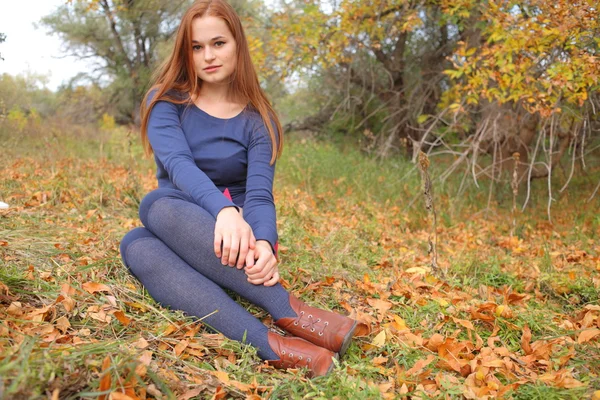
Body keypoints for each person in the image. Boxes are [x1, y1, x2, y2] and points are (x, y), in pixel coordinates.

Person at [119, 0, 357, 377]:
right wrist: (223, 211)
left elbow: (260, 194)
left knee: (150, 222)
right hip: (183, 217)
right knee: (141, 235)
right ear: (186, 52)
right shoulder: (166, 101)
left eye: (218, 43)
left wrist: (264, 242)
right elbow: (179, 165)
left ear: (237, 45)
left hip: (239, 243)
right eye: (197, 47)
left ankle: (292, 312)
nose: (208, 56)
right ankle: (274, 346)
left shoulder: (259, 120)